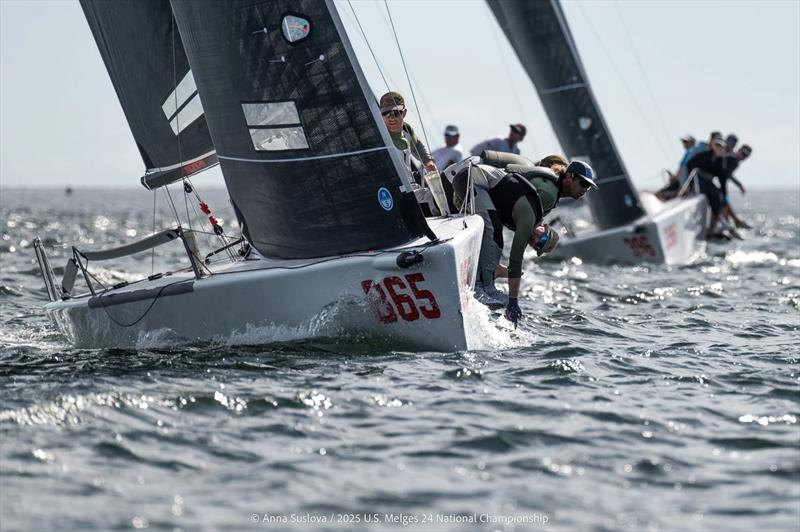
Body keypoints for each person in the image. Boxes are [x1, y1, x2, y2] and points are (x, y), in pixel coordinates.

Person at [451, 155, 597, 326]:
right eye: (584, 184)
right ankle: (480, 287)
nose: (585, 190)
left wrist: (502, 273)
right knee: (493, 230)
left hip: (475, 184)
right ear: (570, 176)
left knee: (493, 234)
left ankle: (485, 284)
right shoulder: (546, 197)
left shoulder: (547, 198)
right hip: (469, 180)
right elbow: (516, 257)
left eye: (539, 246)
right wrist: (513, 300)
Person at [379, 91, 436, 182]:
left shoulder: (407, 130)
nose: (391, 117)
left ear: (404, 113)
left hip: (411, 188)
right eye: (386, 113)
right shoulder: (376, 134)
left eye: (396, 112)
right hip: (389, 189)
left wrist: (429, 164)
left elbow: (419, 149)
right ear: (380, 114)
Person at [684, 137, 730, 237]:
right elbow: (690, 165)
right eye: (716, 145)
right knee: (712, 193)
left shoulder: (721, 161)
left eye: (721, 146)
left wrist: (724, 196)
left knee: (718, 198)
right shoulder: (704, 155)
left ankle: (711, 229)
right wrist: (690, 184)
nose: (718, 147)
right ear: (712, 145)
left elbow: (722, 179)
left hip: (708, 182)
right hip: (697, 179)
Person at [656, 134, 697, 200]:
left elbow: (684, 170)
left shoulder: (691, 152)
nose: (684, 144)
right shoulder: (689, 153)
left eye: (686, 142)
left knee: (658, 194)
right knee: (660, 194)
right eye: (684, 142)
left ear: (692, 142)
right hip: (681, 182)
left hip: (683, 184)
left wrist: (676, 177)